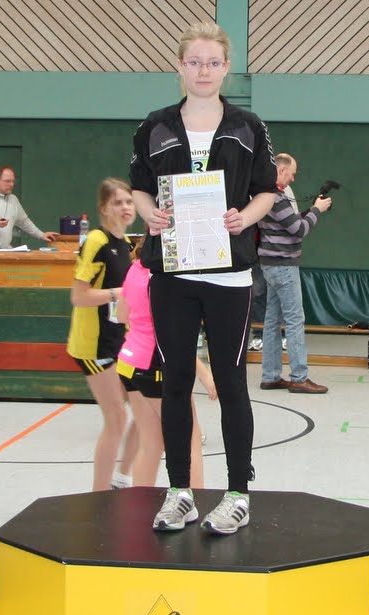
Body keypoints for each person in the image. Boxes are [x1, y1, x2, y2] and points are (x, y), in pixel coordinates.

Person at [130, 21, 276, 534]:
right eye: (194, 62)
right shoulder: (154, 126)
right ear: (180, 67)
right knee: (176, 381)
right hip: (173, 271)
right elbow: (140, 187)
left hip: (228, 274)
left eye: (213, 62)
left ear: (226, 68)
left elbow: (266, 190)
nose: (203, 71)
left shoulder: (248, 126)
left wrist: (245, 218)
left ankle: (237, 495)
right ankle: (180, 493)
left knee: (231, 383)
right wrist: (149, 213)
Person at [115, 244, 211, 489]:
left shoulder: (135, 268)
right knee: (189, 439)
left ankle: (139, 504)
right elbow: (167, 335)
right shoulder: (165, 276)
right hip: (154, 364)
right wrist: (205, 374)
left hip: (129, 362)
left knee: (151, 443)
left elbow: (122, 315)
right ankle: (196, 501)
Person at [66, 179, 136, 491]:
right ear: (104, 208)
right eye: (118, 202)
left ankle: (122, 478)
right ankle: (99, 494)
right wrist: (115, 294)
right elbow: (79, 296)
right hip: (93, 344)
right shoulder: (96, 241)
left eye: (129, 202)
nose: (125, 207)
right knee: (116, 417)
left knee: (147, 408)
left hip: (118, 340)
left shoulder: (127, 244)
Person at [257, 152, 332, 393]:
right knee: (294, 320)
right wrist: (317, 210)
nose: (293, 179)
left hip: (269, 265)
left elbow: (288, 223)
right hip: (284, 266)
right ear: (281, 170)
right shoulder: (277, 197)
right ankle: (299, 377)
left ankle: (270, 376)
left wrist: (311, 210)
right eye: (292, 174)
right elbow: (299, 230)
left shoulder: (264, 195)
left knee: (271, 321)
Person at [0, 166, 56, 248]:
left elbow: (24, 222)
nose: (11, 184)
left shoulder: (13, 200)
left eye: (13, 181)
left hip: (4, 250)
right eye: (7, 181)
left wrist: (41, 235)